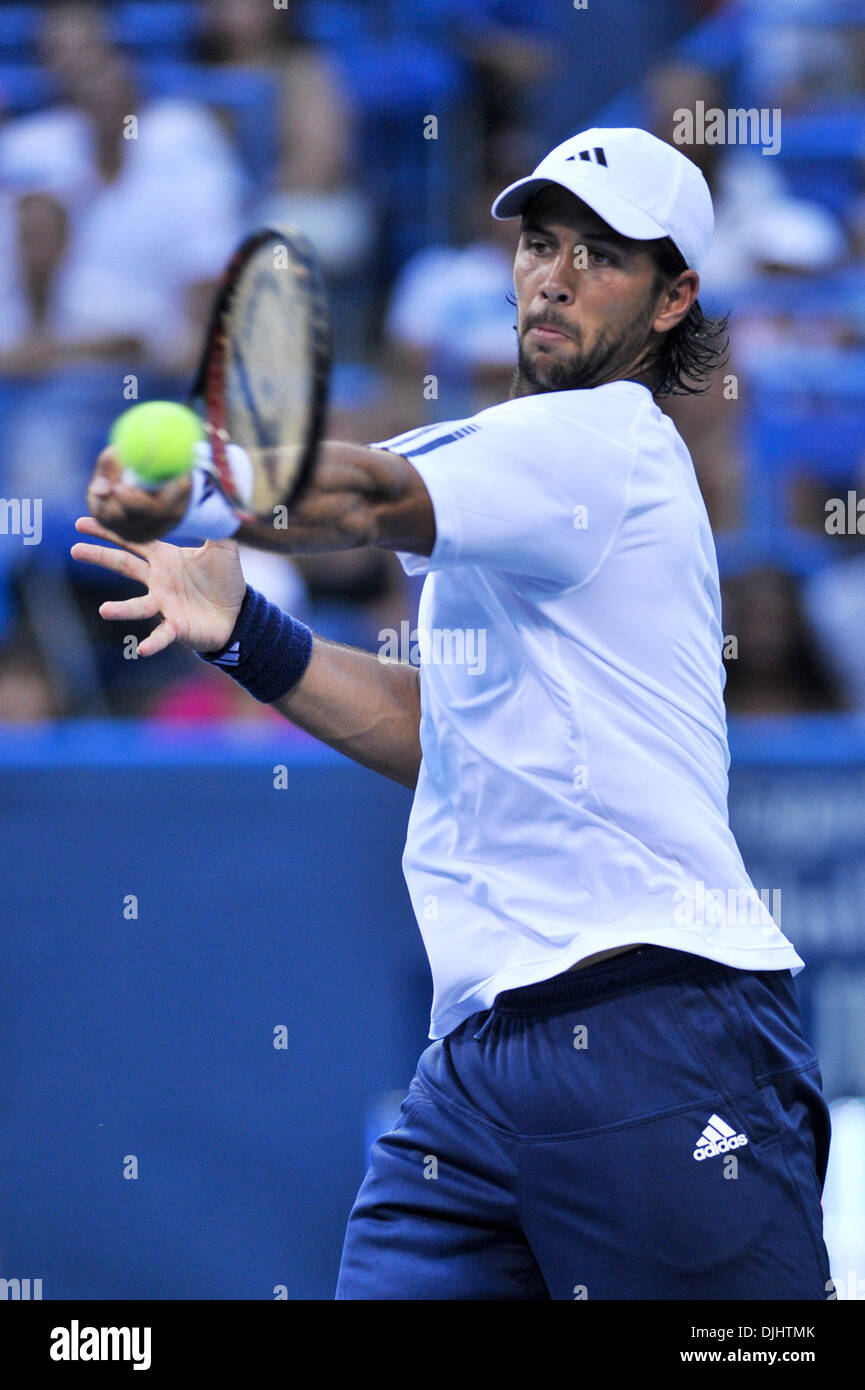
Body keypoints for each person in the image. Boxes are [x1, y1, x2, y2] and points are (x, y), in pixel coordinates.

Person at [73, 127, 831, 1301]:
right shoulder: (520, 469)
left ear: (674, 296)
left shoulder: (600, 441)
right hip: (474, 1075)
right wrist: (245, 636)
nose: (555, 275)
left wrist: (208, 483)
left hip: (659, 1034)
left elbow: (368, 491)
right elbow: (447, 740)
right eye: (538, 244)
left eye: (601, 255)